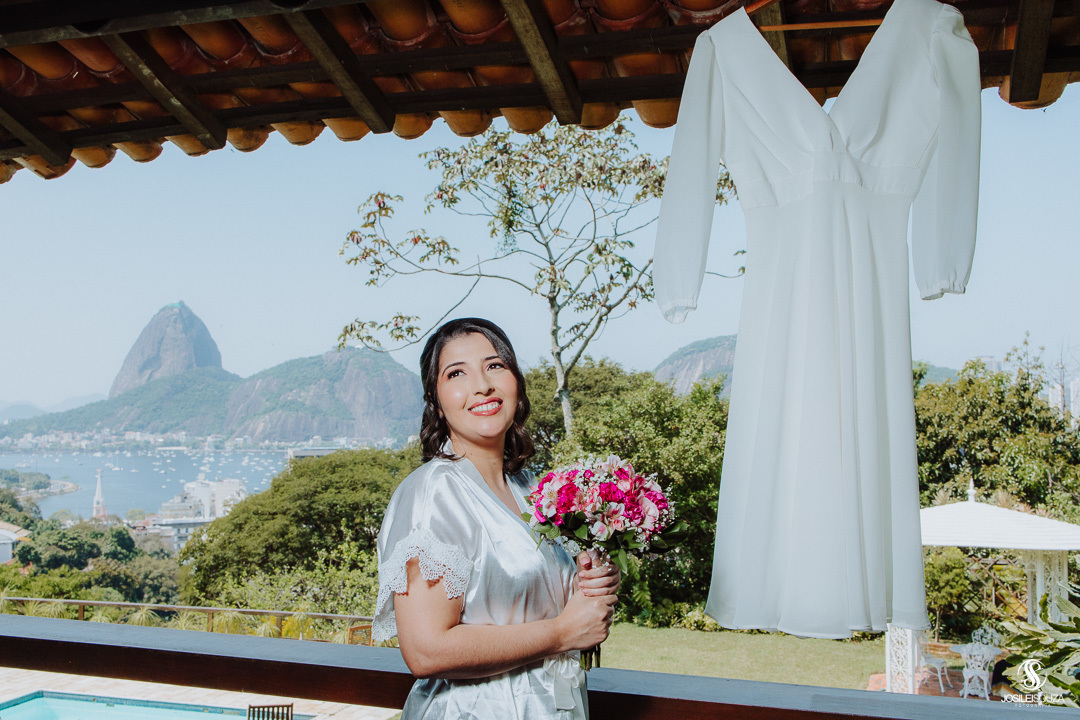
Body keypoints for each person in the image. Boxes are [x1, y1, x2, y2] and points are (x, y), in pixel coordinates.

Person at [373, 318, 620, 719]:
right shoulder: (435, 492)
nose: (482, 385)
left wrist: (591, 583)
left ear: (515, 381)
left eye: (494, 366)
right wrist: (561, 634)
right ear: (436, 400)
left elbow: (544, 601)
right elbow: (425, 651)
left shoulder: (532, 488)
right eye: (457, 373)